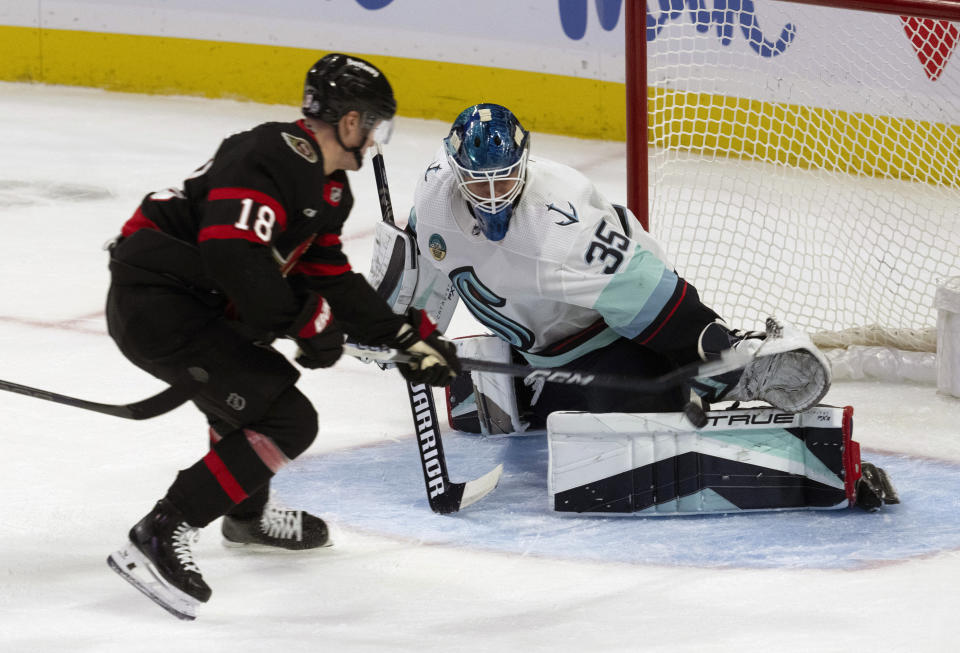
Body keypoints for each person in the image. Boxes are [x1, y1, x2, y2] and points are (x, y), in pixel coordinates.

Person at [368, 102, 897, 514]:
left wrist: (716, 352)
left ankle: (730, 374)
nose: (491, 194)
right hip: (539, 332)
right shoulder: (435, 194)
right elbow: (427, 264)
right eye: (477, 180)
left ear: (523, 163)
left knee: (629, 415)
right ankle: (527, 382)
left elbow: (652, 298)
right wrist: (396, 329)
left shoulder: (561, 225)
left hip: (609, 326)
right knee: (577, 415)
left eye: (503, 178)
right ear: (454, 169)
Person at [104, 53, 460, 621]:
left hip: (194, 306)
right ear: (349, 122)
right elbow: (229, 249)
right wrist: (302, 321)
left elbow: (330, 276)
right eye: (374, 125)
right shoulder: (270, 154)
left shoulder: (328, 189)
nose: (373, 141)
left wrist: (405, 337)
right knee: (287, 419)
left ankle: (245, 516)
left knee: (249, 398)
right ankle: (160, 531)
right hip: (159, 305)